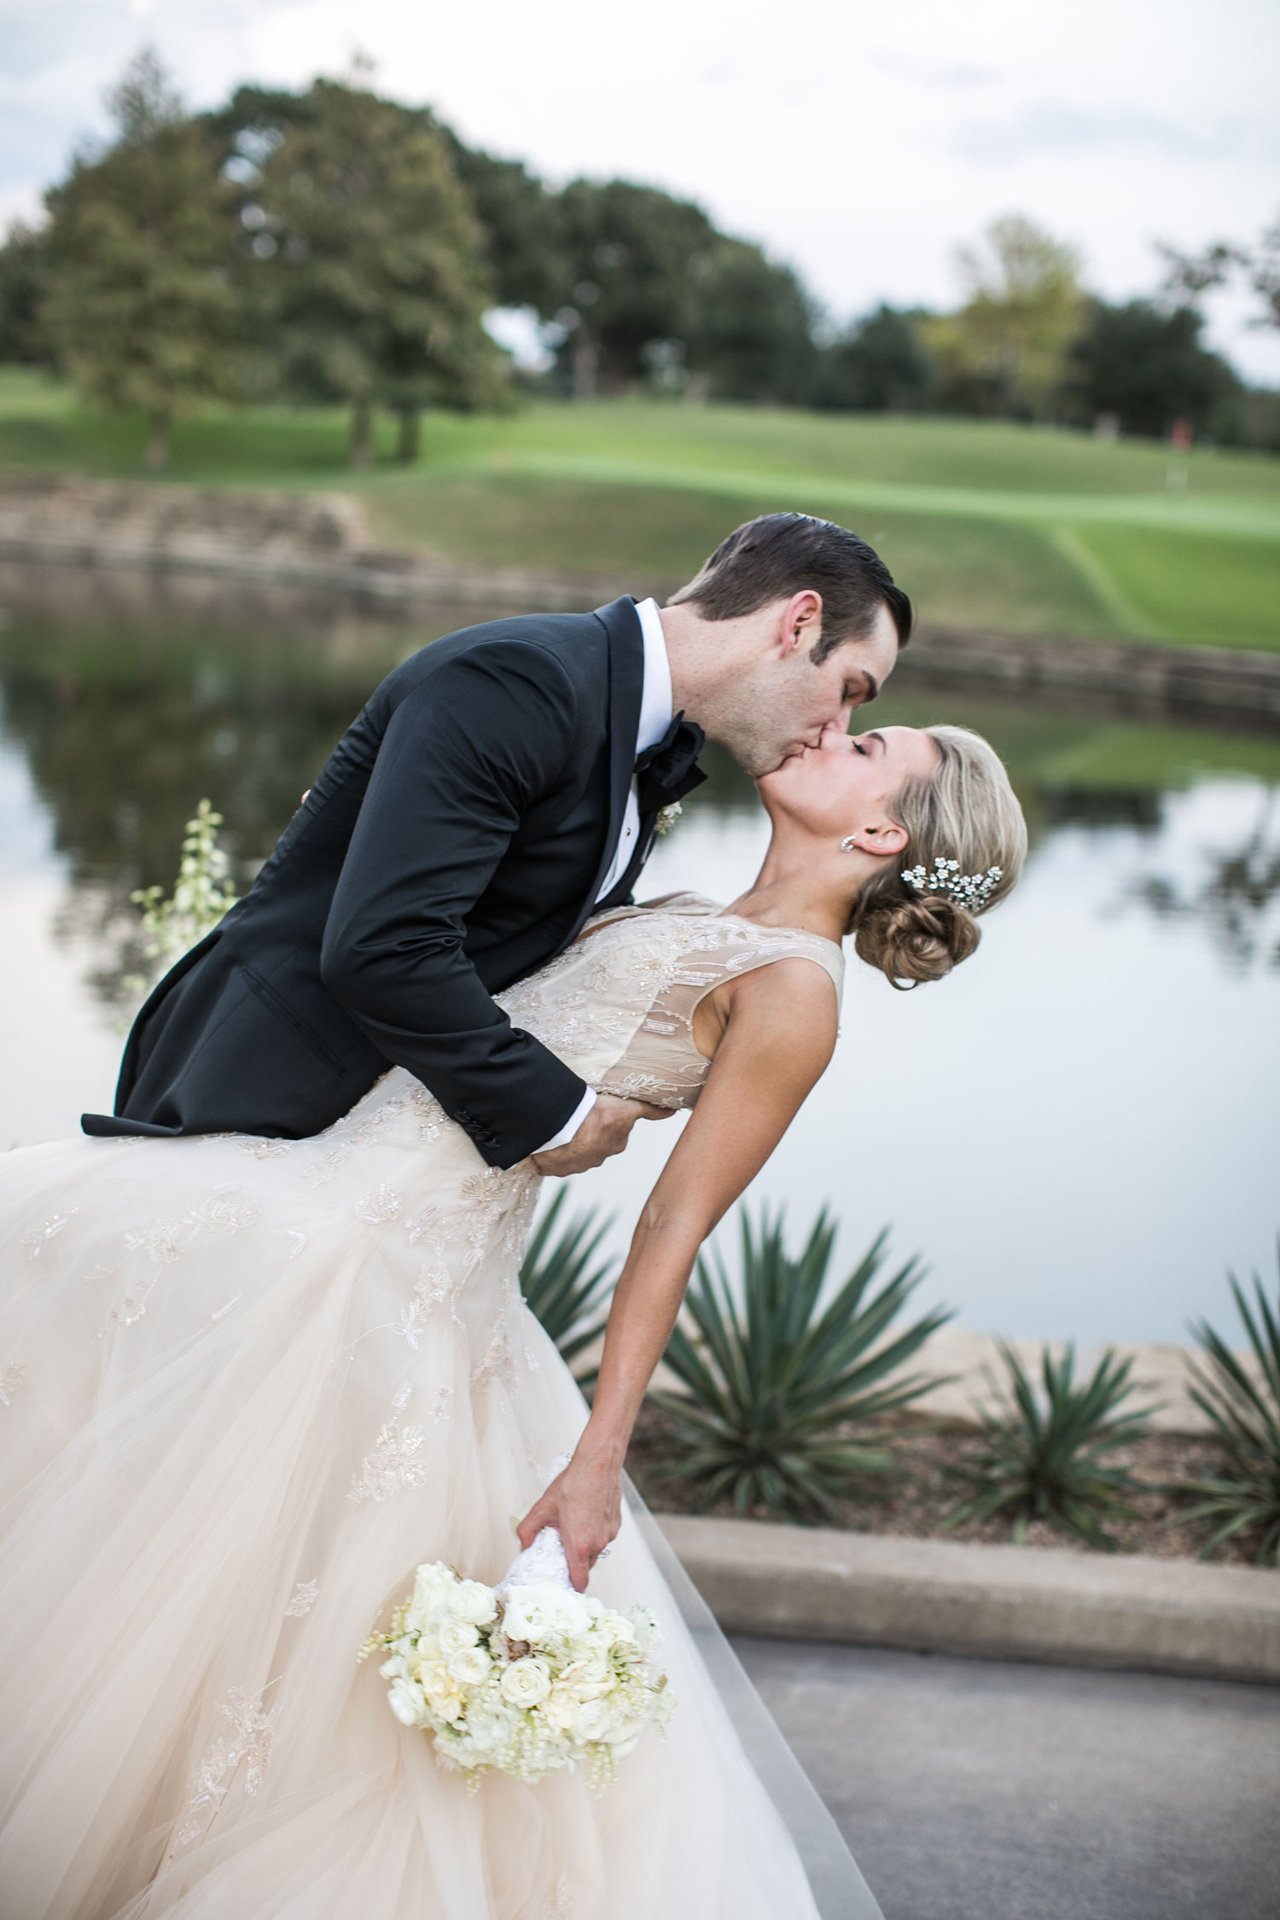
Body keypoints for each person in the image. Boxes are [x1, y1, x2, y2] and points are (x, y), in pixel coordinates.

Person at [0, 703, 1026, 1919]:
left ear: (876, 831)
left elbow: (671, 1228)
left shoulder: (793, 993)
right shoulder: (693, 912)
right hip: (321, 1200)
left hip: (386, 1272)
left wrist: (596, 1461)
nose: (829, 729)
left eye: (868, 748)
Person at [80, 512, 910, 1183]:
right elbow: (384, 945)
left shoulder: (630, 730)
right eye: (848, 691)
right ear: (798, 623)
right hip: (248, 1097)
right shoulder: (522, 683)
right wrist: (557, 1109)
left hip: (351, 1151)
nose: (837, 729)